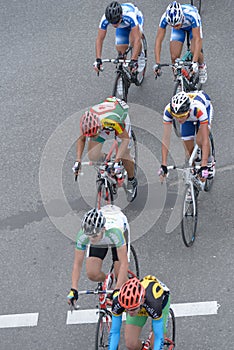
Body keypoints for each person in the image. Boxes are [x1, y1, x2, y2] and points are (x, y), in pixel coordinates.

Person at [72, 96, 137, 202]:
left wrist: (117, 161)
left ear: (98, 127)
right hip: (102, 119)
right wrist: (78, 160)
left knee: (124, 155)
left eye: (93, 134)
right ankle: (107, 164)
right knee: (93, 155)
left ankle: (132, 180)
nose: (92, 137)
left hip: (119, 117)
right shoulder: (86, 122)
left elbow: (125, 139)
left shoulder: (112, 121)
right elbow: (81, 140)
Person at [67, 205, 129, 306]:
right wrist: (74, 288)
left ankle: (135, 289)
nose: (91, 239)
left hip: (117, 235)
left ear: (103, 229)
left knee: (120, 276)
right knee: (92, 273)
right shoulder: (84, 234)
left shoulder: (115, 232)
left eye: (94, 236)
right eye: (89, 236)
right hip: (101, 239)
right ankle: (108, 281)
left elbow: (124, 263)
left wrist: (117, 289)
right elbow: (77, 264)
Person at [158, 90, 215, 187]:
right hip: (188, 119)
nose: (179, 120)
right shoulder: (168, 111)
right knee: (188, 152)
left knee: (200, 140)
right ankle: (192, 181)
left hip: (204, 110)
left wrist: (204, 165)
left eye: (181, 116)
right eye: (176, 117)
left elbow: (205, 140)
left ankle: (210, 162)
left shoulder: (198, 109)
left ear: (188, 110)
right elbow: (166, 139)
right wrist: (163, 164)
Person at [109, 275, 171, 350]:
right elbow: (114, 332)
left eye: (133, 309)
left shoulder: (153, 304)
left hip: (161, 302)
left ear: (142, 301)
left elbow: (158, 337)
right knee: (131, 344)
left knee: (154, 344)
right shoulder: (118, 301)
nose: (130, 312)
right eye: (127, 309)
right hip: (140, 305)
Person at [154, 1, 207, 83]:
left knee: (194, 50)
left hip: (192, 26)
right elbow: (158, 40)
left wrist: (195, 62)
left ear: (181, 17)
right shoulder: (165, 18)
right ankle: (178, 81)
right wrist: (157, 63)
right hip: (179, 30)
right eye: (172, 25)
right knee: (174, 57)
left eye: (177, 25)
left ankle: (202, 66)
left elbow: (198, 40)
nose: (175, 27)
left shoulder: (191, 15)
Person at [93, 1, 145, 73]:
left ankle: (140, 54)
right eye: (112, 22)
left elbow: (137, 39)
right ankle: (123, 75)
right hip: (122, 25)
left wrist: (134, 60)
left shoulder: (130, 15)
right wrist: (98, 59)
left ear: (121, 16)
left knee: (134, 41)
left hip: (136, 20)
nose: (114, 25)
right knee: (121, 51)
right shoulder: (105, 18)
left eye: (116, 21)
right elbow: (99, 39)